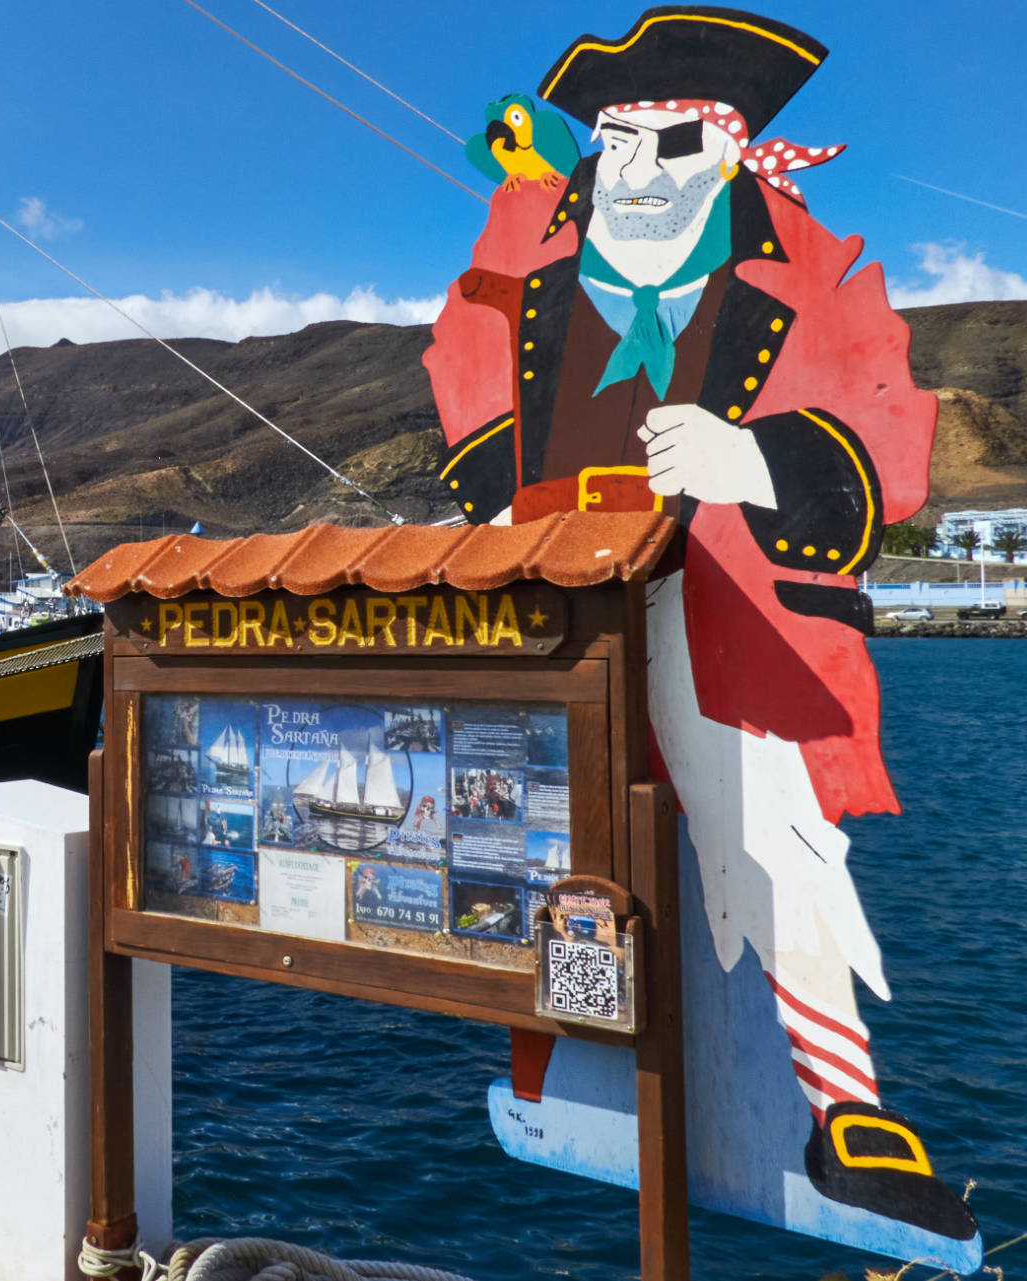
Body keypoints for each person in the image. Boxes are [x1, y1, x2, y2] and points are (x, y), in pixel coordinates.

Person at [422, 8, 971, 1241]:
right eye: (613, 137)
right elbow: (460, 345)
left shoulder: (810, 265)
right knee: (540, 832)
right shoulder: (537, 240)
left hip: (735, 605)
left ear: (723, 149)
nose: (632, 167)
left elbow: (890, 405)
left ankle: (848, 1113)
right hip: (563, 582)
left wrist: (759, 457)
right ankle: (555, 1062)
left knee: (775, 835)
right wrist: (508, 488)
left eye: (667, 141)